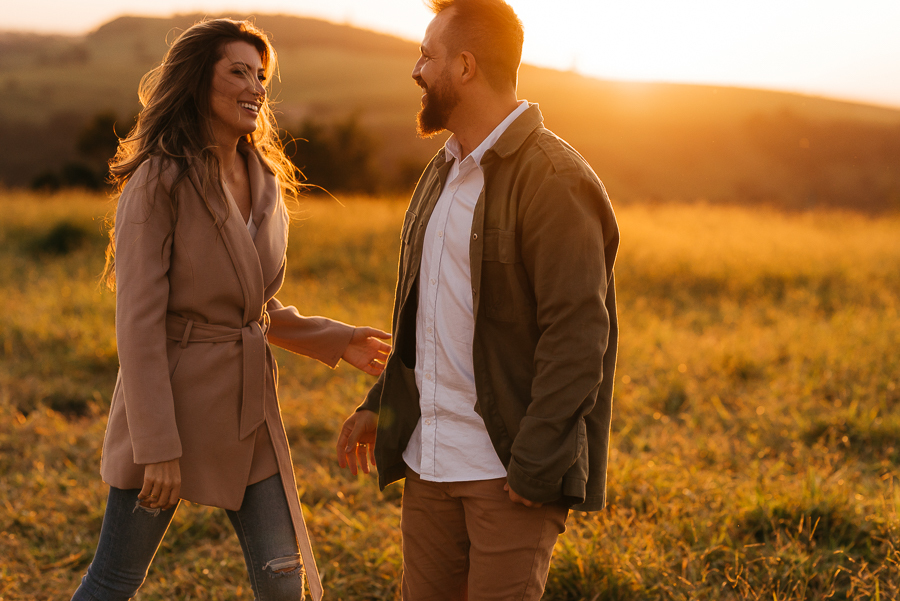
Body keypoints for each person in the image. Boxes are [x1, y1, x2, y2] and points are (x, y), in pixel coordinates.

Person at [72, 18, 390, 601]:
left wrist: (336, 338)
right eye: (239, 72)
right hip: (170, 406)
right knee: (115, 579)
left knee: (283, 581)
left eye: (261, 75)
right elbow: (138, 325)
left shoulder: (264, 178)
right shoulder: (158, 180)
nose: (256, 88)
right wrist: (157, 447)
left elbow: (249, 305)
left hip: (249, 408)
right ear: (199, 81)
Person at [336, 0, 619, 597]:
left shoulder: (554, 180)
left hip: (507, 473)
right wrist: (381, 403)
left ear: (465, 67)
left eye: (427, 56)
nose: (416, 70)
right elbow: (427, 316)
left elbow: (577, 338)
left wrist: (535, 464)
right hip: (428, 462)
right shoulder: (441, 173)